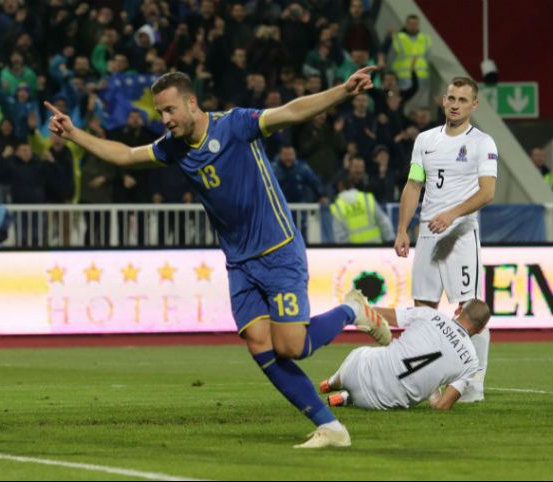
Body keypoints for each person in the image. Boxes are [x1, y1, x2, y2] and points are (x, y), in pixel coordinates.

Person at [45, 67, 393, 448]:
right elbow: (127, 156)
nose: (165, 119)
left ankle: (351, 311)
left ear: (192, 103)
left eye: (170, 110)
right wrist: (74, 134)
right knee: (259, 343)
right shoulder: (174, 147)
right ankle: (331, 427)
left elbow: (291, 111)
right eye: (160, 113)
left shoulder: (236, 125)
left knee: (291, 347)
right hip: (239, 264)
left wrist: (343, 91)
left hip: (277, 249)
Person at [394, 77, 497, 403]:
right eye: (451, 98)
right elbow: (414, 184)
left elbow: (487, 192)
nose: (455, 105)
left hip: (461, 234)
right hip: (427, 233)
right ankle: (427, 386)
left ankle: (473, 384)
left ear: (474, 105)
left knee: (470, 309)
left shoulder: (482, 143)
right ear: (443, 100)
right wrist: (402, 229)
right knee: (422, 312)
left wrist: (452, 214)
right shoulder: (425, 140)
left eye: (463, 100)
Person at [321, 295, 489, 411]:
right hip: (378, 404)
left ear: (458, 310)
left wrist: (356, 311)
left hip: (355, 371)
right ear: (481, 329)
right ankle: (347, 397)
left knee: (363, 355)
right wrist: (432, 384)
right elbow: (441, 406)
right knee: (395, 386)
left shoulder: (430, 314)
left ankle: (333, 382)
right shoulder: (471, 361)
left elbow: (377, 314)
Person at [330, 178, 393, 244]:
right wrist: (390, 242)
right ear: (352, 186)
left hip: (354, 249)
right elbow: (384, 223)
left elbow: (339, 236)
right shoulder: (366, 198)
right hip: (375, 246)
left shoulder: (337, 207)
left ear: (340, 188)